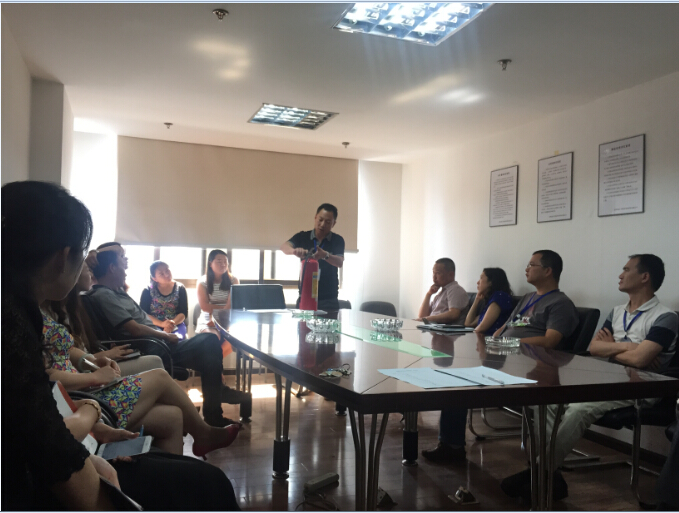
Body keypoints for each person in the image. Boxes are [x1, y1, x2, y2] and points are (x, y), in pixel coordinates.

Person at [501, 254, 677, 506]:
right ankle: (551, 476)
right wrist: (630, 347)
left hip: (642, 387)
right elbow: (595, 348)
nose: (620, 275)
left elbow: (640, 360)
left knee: (579, 409)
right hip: (608, 381)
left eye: (626, 269)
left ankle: (538, 473)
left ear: (645, 277)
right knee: (546, 402)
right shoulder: (617, 312)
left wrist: (614, 349)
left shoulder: (665, 316)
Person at [2, 180, 117, 509]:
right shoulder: (12, 321)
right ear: (63, 257)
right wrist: (91, 411)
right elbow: (50, 452)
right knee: (200, 483)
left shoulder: (18, 307)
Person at [43, 271, 240, 457]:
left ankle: (173, 474)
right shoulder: (33, 317)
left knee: (173, 416)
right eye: (85, 265)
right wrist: (93, 377)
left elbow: (67, 350)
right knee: (162, 374)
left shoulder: (45, 310)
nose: (89, 271)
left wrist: (92, 360)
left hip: (84, 388)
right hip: (76, 401)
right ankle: (205, 432)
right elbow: (43, 375)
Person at [422, 250, 577, 463]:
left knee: (459, 381)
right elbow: (506, 326)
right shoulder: (528, 298)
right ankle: (451, 446)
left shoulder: (559, 303)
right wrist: (496, 340)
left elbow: (551, 341)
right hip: (505, 357)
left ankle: (542, 465)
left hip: (530, 367)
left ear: (548, 271)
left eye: (532, 265)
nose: (526, 269)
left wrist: (509, 343)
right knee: (456, 380)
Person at [85, 246, 240, 427]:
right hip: (151, 346)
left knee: (210, 357)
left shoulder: (117, 292)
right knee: (210, 342)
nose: (126, 267)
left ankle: (215, 406)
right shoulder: (104, 295)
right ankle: (216, 405)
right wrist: (165, 336)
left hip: (156, 341)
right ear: (112, 268)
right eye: (121, 260)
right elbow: (135, 329)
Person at [53, 380, 241, 510]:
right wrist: (92, 407)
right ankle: (204, 435)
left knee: (172, 416)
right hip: (76, 464)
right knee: (213, 482)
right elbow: (53, 436)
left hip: (85, 435)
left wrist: (98, 427)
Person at [51, 263, 165, 376]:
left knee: (158, 367)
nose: (92, 274)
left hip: (91, 363)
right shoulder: (54, 316)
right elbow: (66, 361)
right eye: (88, 269)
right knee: (156, 364)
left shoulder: (75, 305)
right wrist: (105, 356)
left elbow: (80, 353)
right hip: (83, 373)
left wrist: (102, 355)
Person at [280, 203, 345, 311]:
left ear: (333, 223)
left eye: (328, 222)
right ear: (315, 217)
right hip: (305, 296)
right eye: (320, 220)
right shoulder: (303, 236)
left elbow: (339, 262)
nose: (322, 224)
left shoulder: (337, 240)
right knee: (303, 322)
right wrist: (294, 251)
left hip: (328, 300)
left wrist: (325, 255)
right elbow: (284, 247)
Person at [196, 249, 240, 355]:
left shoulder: (234, 280)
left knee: (235, 339)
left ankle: (215, 364)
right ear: (210, 263)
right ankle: (215, 365)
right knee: (213, 338)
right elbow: (205, 307)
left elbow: (231, 305)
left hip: (228, 318)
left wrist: (219, 319)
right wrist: (219, 315)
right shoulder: (202, 282)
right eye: (219, 261)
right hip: (208, 318)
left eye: (225, 261)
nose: (223, 264)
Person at [140, 260, 189, 340]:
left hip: (176, 324)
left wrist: (172, 323)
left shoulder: (180, 288)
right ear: (154, 278)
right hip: (154, 325)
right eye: (161, 274)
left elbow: (183, 313)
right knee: (157, 341)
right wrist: (162, 324)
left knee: (177, 340)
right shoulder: (148, 290)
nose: (166, 274)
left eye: (167, 270)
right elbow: (144, 314)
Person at [417, 258, 468, 324]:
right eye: (433, 273)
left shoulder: (455, 290)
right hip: (431, 326)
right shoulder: (442, 292)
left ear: (451, 274)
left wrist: (427, 319)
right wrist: (428, 294)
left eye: (438, 273)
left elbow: (453, 314)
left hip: (442, 328)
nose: (434, 277)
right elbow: (422, 316)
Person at [464, 267, 515, 334]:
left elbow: (481, 328)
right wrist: (476, 300)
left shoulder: (500, 296)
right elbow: (468, 323)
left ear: (490, 282)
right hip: (483, 338)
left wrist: (469, 337)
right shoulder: (491, 299)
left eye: (481, 278)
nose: (478, 282)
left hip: (492, 339)